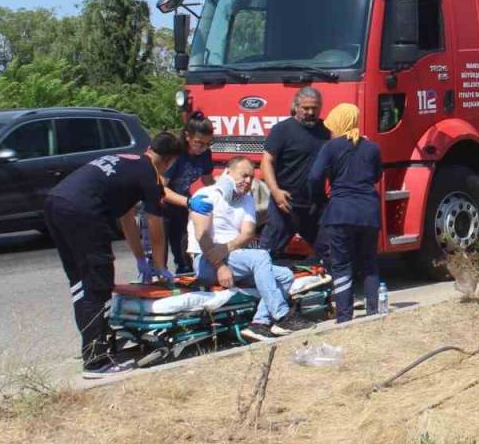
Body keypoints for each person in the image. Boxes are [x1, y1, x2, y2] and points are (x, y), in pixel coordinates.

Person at [44, 132, 183, 378]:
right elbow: (155, 225)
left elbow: (126, 219)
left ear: (150, 147)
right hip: (84, 210)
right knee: (99, 284)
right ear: (169, 161)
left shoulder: (125, 159)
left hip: (56, 202)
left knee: (81, 282)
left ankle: (93, 345)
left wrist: (140, 257)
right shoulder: (151, 175)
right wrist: (160, 265)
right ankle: (96, 361)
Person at [188, 157, 300, 341]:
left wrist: (225, 249)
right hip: (207, 262)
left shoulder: (246, 199)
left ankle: (259, 323)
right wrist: (220, 266)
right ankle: (282, 315)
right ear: (228, 172)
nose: (248, 181)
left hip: (233, 260)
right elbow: (202, 237)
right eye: (244, 175)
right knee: (260, 255)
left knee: (285, 275)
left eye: (251, 177)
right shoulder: (205, 196)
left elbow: (247, 233)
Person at [308, 103, 383, 323]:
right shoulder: (372, 147)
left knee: (342, 265)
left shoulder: (331, 148)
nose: (330, 130)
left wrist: (318, 198)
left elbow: (314, 177)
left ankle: (344, 316)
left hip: (340, 212)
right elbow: (377, 175)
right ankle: (373, 312)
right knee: (369, 262)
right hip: (369, 212)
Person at [260, 87, 332, 261]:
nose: (310, 112)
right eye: (305, 108)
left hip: (314, 205)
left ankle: (331, 284)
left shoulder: (326, 131)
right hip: (285, 203)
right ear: (296, 106)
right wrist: (275, 191)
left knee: (329, 250)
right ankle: (253, 283)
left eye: (314, 108)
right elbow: (266, 161)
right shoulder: (282, 130)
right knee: (266, 253)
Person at [159, 112, 215, 274]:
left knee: (184, 251)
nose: (202, 148)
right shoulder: (175, 154)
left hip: (181, 205)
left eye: (207, 144)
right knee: (158, 257)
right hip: (160, 207)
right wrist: (189, 202)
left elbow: (208, 180)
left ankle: (184, 273)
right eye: (198, 143)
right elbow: (161, 189)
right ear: (187, 137)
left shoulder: (204, 154)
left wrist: (220, 194)